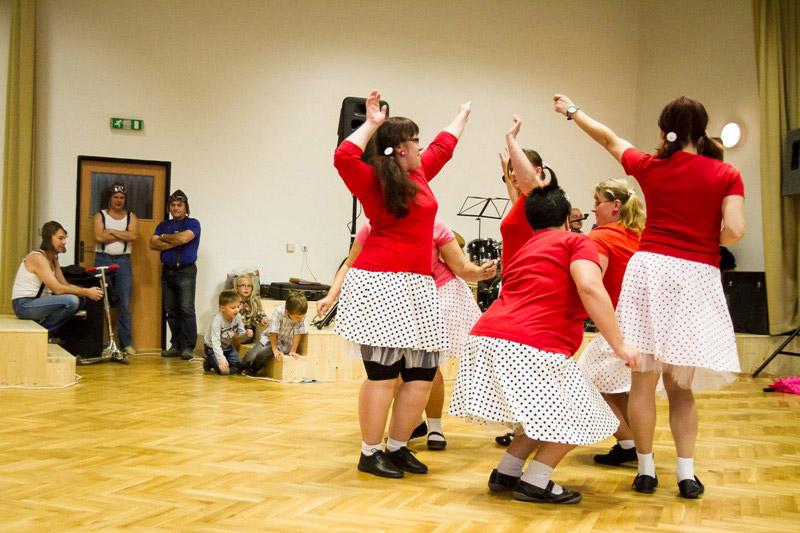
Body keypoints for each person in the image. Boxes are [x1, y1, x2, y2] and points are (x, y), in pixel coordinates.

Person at [554, 94, 745, 498]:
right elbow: (734, 231)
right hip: (695, 275)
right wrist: (705, 234)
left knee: (642, 384)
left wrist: (572, 111)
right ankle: (686, 474)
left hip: (650, 272)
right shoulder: (726, 174)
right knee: (680, 388)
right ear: (703, 131)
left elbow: (608, 139)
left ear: (664, 131)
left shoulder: (650, 166)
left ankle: (645, 470)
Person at [450, 176, 641, 505]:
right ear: (567, 219)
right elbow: (589, 287)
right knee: (584, 414)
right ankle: (536, 481)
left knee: (543, 415)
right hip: (529, 344)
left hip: (488, 338)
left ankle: (507, 472)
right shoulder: (576, 243)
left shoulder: (526, 246)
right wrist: (620, 344)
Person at [332, 90, 470, 479]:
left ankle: (397, 447)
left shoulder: (419, 173)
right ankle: (369, 452)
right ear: (400, 149)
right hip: (380, 283)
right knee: (383, 374)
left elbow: (444, 147)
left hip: (419, 285)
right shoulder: (371, 178)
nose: (421, 147)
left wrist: (462, 115)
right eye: (414, 140)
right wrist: (371, 124)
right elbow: (343, 156)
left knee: (422, 374)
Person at [316, 218, 496, 450]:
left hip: (438, 294)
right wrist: (331, 296)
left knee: (428, 369)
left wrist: (480, 272)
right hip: (397, 301)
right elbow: (350, 264)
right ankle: (411, 426)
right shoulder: (373, 226)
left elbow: (462, 267)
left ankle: (434, 427)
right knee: (392, 371)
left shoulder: (434, 226)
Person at [576, 177, 645, 466]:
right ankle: (638, 446)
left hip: (618, 322)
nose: (593, 208)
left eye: (598, 202)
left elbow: (594, 283)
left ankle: (629, 443)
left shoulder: (600, 238)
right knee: (619, 388)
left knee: (584, 381)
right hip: (643, 323)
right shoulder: (640, 235)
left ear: (615, 205)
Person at [11, 221, 104, 340]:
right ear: (48, 238)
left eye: (65, 238)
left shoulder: (53, 259)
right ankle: (43, 333)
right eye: (60, 238)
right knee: (71, 301)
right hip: (23, 305)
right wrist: (87, 291)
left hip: (37, 302)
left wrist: (85, 292)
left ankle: (45, 330)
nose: (64, 242)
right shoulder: (37, 257)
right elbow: (57, 289)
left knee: (80, 300)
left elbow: (64, 284)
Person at [149, 190, 201, 361]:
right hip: (168, 271)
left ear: (186, 207)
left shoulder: (193, 223)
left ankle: (188, 346)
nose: (176, 208)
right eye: (172, 205)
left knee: (186, 309)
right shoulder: (163, 225)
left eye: (179, 205)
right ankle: (176, 345)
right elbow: (153, 244)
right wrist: (176, 240)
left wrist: (164, 238)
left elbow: (183, 239)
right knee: (171, 310)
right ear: (169, 207)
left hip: (186, 271)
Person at [93, 183, 139, 355]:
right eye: (116, 197)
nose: (119, 200)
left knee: (124, 302)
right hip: (102, 259)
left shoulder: (131, 217)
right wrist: (122, 234)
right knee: (100, 300)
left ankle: (126, 343)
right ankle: (97, 342)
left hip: (123, 261)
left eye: (122, 197)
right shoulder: (100, 215)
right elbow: (98, 237)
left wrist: (110, 231)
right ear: (110, 198)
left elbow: (133, 235)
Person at [243, 291, 308, 376]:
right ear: (287, 312)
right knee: (250, 356)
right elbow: (273, 332)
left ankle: (252, 370)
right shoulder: (278, 312)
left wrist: (293, 351)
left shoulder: (301, 316)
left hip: (284, 344)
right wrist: (275, 349)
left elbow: (298, 333)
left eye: (302, 317)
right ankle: (240, 366)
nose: (300, 319)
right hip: (270, 339)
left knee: (263, 353)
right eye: (297, 317)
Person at [202, 289, 249, 375]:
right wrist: (221, 360)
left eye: (238, 307)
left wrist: (246, 334)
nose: (237, 310)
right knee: (224, 371)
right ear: (222, 308)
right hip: (212, 348)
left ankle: (225, 361)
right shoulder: (217, 321)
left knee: (241, 365)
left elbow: (240, 337)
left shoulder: (237, 317)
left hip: (228, 347)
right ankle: (209, 362)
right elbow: (215, 342)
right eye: (233, 308)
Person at [235, 273, 266, 344]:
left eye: (249, 286)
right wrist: (238, 310)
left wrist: (262, 319)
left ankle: (243, 337)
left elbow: (259, 315)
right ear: (237, 288)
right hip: (235, 328)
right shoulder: (233, 301)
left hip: (248, 329)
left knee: (249, 333)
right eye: (243, 285)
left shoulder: (254, 301)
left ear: (252, 288)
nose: (246, 288)